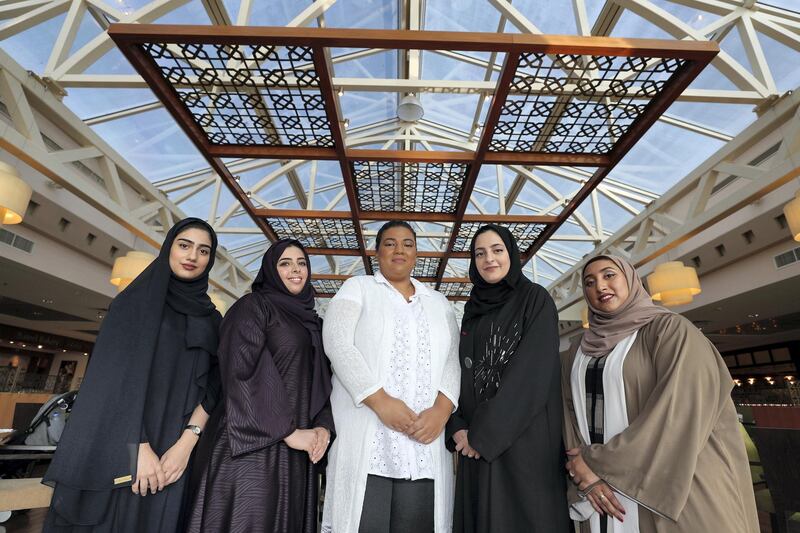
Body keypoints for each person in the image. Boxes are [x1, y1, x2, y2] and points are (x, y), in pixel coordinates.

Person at [43, 218, 222, 532]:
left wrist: (185, 446)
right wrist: (136, 448)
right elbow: (109, 381)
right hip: (123, 445)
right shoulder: (133, 304)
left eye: (203, 250)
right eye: (184, 245)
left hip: (175, 457)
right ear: (169, 247)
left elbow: (214, 386)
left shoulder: (211, 319)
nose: (192, 256)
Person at [562, 255, 759, 533]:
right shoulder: (576, 350)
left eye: (609, 275)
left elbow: (680, 411)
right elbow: (568, 412)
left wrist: (596, 463)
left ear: (631, 279)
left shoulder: (670, 330)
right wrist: (583, 474)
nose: (600, 286)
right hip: (599, 494)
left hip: (674, 485)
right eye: (589, 282)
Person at [185, 238, 334, 533]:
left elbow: (322, 382)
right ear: (270, 270)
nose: (296, 270)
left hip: (297, 449)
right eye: (285, 263)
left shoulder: (313, 323)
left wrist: (323, 428)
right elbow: (240, 369)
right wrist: (288, 432)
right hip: (249, 448)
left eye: (302, 263)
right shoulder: (253, 307)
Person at [321, 221, 460, 533]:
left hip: (424, 442)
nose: (399, 250)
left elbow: (452, 360)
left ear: (416, 254)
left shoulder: (439, 303)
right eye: (390, 243)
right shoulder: (358, 289)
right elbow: (338, 343)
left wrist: (441, 411)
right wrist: (380, 400)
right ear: (377, 252)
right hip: (369, 435)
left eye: (407, 244)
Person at [445, 224, 570, 532]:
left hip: (522, 443)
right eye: (480, 253)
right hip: (474, 443)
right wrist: (458, 426)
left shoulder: (535, 300)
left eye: (497, 250)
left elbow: (532, 376)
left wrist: (482, 437)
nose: (489, 259)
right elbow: (461, 370)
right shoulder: (473, 309)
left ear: (512, 253)